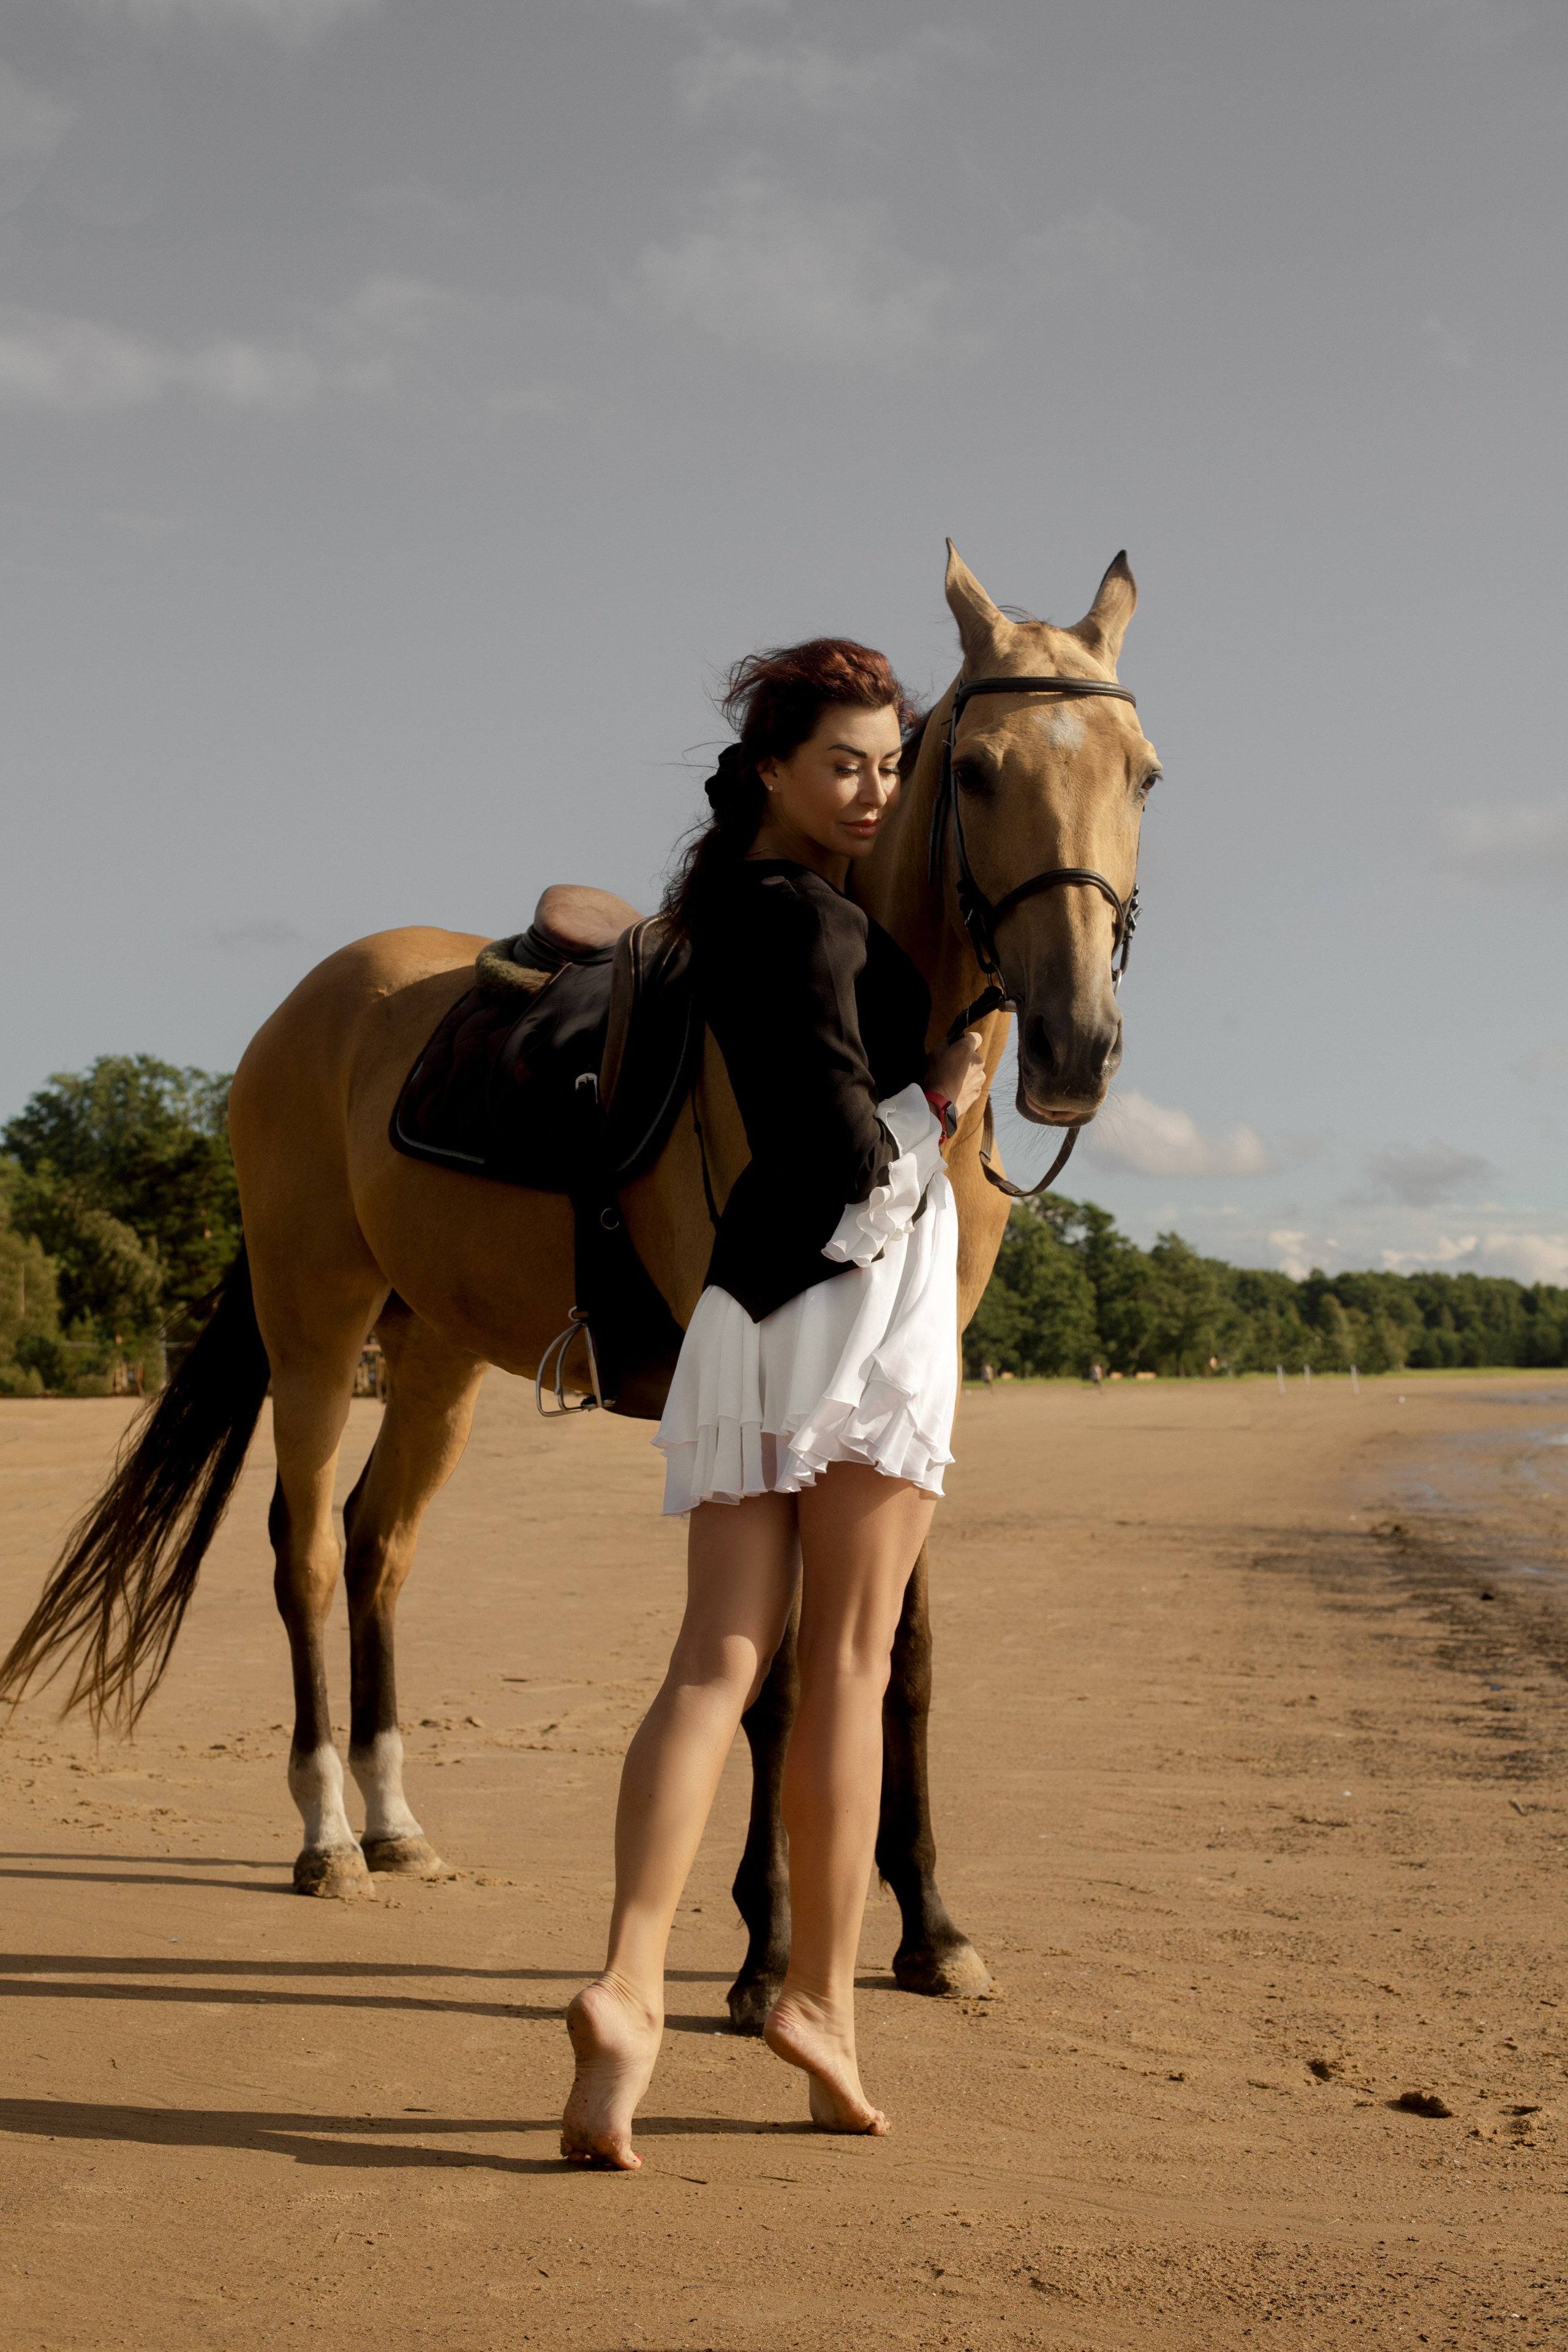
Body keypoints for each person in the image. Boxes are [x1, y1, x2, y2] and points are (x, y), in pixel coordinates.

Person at [560, 638, 987, 2169]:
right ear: (769, 772)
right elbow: (833, 1154)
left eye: (888, 763)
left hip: (741, 1312)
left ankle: (624, 1988)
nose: (873, 791)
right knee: (853, 1665)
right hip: (855, 1299)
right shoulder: (804, 921)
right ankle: (817, 1996)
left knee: (712, 1665)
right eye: (843, 765)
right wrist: (945, 1080)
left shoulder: (729, 910)